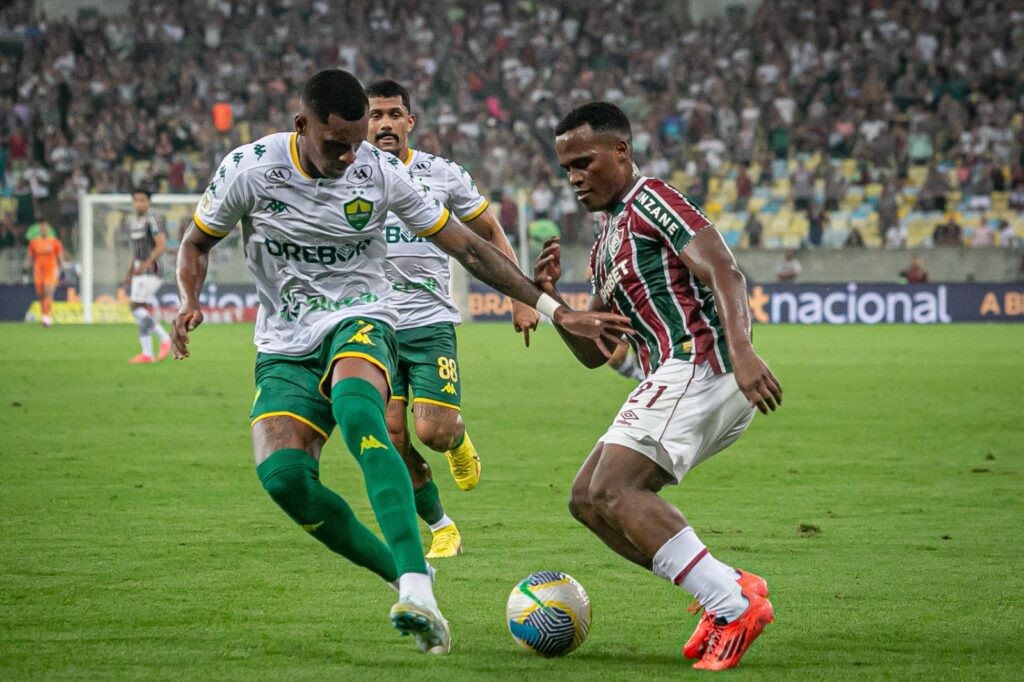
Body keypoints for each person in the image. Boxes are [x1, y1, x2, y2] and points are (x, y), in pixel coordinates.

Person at [171, 70, 626, 655]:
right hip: (283, 342)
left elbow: (467, 244)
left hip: (364, 314)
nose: (349, 154)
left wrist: (547, 307)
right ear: (300, 126)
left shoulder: (379, 172)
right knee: (285, 481)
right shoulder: (249, 169)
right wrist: (187, 301)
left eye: (357, 139)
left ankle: (418, 590)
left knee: (365, 415)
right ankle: (406, 574)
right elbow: (195, 243)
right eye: (336, 143)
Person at [534, 102, 780, 671]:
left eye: (584, 162)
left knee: (617, 490)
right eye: (567, 168)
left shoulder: (653, 201)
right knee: (586, 501)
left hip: (702, 362)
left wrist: (742, 352)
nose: (574, 178)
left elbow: (723, 269)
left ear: (621, 151)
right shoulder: (603, 245)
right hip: (676, 374)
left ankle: (732, 604)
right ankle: (720, 588)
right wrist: (555, 307)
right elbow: (596, 352)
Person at [365, 78, 540, 559]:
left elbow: (488, 230)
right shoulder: (346, 176)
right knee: (391, 437)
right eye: (375, 115)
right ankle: (442, 528)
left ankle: (457, 438)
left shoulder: (441, 174)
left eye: (393, 114)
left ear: (409, 122)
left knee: (433, 432)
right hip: (373, 326)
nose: (384, 123)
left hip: (428, 323)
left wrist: (521, 297)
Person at [122, 188, 172, 363]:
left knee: (135, 307)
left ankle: (166, 339)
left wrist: (146, 263)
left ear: (149, 201)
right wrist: (129, 272)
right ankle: (147, 353)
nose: (139, 203)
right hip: (139, 270)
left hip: (152, 270)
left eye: (142, 200)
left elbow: (161, 246)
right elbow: (135, 251)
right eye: (136, 200)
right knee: (140, 310)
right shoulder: (135, 221)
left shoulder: (154, 218)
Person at [22, 221, 68, 327]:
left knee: (48, 293)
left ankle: (47, 318)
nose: (43, 230)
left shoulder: (55, 242)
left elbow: (60, 257)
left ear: (48, 230)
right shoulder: (34, 242)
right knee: (41, 295)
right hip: (38, 272)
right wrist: (24, 271)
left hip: (50, 271)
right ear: (40, 230)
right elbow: (29, 257)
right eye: (42, 228)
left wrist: (63, 270)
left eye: (45, 228)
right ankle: (44, 316)